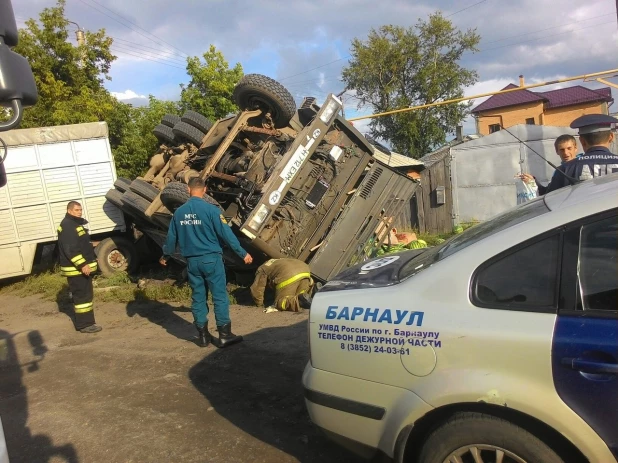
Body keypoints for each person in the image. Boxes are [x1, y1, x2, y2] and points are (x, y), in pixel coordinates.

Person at [159, 177, 253, 348]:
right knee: (219, 297)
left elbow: (171, 239)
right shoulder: (212, 210)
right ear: (205, 189)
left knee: (198, 298)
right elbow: (227, 235)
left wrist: (165, 256)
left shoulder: (179, 213)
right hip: (211, 260)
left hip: (192, 263)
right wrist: (242, 253)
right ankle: (224, 335)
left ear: (188, 190)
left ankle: (202, 336)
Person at [57, 201, 101, 333]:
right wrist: (82, 264)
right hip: (77, 270)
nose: (79, 212)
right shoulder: (68, 226)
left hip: (80, 269)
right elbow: (71, 249)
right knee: (82, 297)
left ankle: (88, 323)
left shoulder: (74, 224)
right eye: (76, 210)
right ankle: (85, 325)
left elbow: (81, 245)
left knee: (85, 296)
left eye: (80, 209)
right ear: (69, 211)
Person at [545, 114, 618, 193]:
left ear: (582, 141)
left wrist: (534, 184)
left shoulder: (564, 170)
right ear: (611, 137)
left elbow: (550, 198)